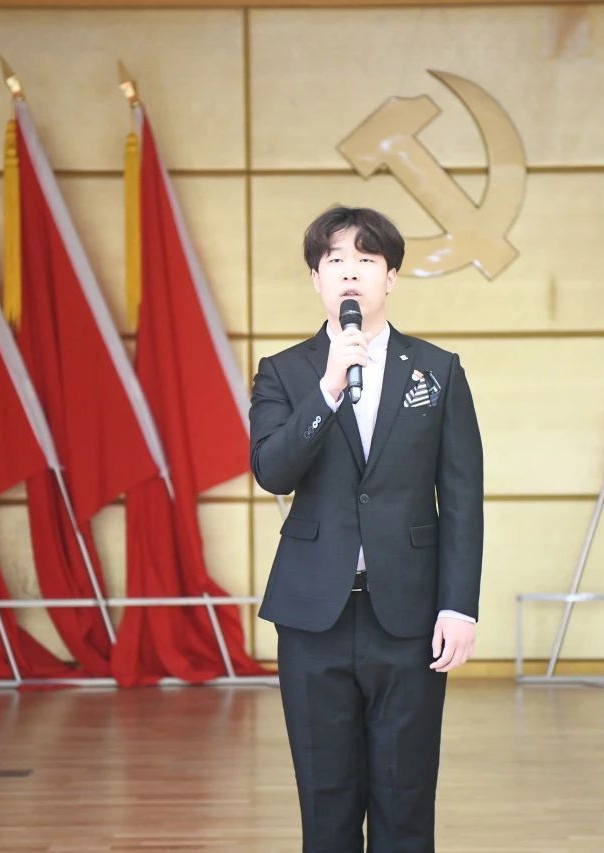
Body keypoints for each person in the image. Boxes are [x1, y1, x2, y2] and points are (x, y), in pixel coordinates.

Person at [250, 206, 485, 852]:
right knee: (326, 804)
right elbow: (273, 470)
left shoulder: (437, 370)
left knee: (405, 800)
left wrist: (458, 605)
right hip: (312, 619)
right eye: (335, 260)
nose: (350, 272)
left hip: (408, 618)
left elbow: (462, 497)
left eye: (366, 259)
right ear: (316, 280)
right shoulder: (283, 371)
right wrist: (327, 389)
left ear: (391, 277)